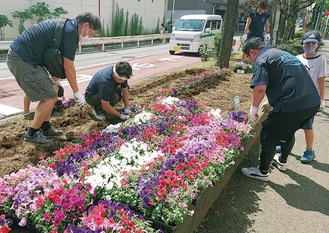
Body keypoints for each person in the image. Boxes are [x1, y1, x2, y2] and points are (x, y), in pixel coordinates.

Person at [7, 12, 102, 144]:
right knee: (50, 97)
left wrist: (56, 82)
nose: (88, 37)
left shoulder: (68, 27)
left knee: (53, 90)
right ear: (86, 25)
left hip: (25, 57)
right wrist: (76, 92)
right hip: (22, 59)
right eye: (90, 34)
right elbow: (68, 66)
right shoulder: (71, 33)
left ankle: (45, 127)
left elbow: (53, 59)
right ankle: (32, 134)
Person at [240, 37, 320, 181]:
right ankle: (282, 161)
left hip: (292, 105)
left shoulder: (261, 59)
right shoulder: (283, 54)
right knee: (289, 130)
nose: (250, 61)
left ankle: (262, 171)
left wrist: (253, 112)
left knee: (268, 132)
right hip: (311, 102)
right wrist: (271, 101)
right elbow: (288, 80)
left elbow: (260, 88)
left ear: (252, 52)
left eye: (248, 58)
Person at [274, 31, 326, 163]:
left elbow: (321, 80)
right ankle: (283, 143)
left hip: (309, 100)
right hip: (295, 98)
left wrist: (322, 100)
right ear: (302, 44)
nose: (310, 45)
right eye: (307, 43)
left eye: (313, 43)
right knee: (289, 123)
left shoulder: (320, 60)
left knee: (307, 126)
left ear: (318, 44)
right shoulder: (296, 58)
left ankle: (309, 150)